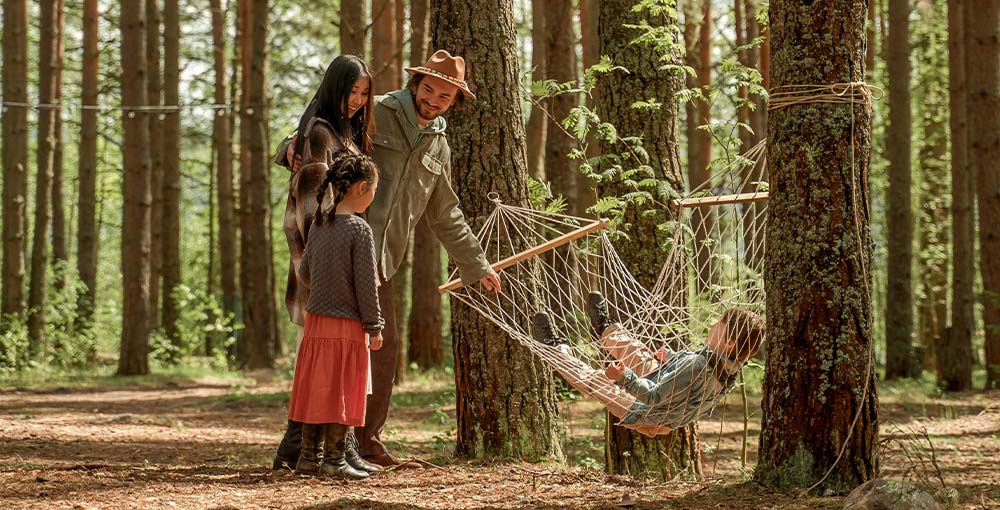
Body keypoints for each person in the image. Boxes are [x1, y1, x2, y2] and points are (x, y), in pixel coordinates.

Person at [275, 50, 502, 469]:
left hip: (381, 257)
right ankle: (308, 447)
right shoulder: (377, 110)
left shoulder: (439, 144)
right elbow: (324, 129)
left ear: (454, 102)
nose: (433, 100)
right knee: (329, 346)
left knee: (381, 347)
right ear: (416, 84)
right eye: (429, 89)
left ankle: (362, 441)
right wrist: (288, 143)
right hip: (337, 246)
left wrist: (476, 264)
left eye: (445, 96)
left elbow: (445, 213)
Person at [272, 55, 383, 476]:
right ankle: (307, 448)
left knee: (326, 363)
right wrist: (319, 272)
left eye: (363, 94)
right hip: (319, 264)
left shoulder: (344, 133)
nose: (356, 100)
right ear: (332, 88)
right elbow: (310, 207)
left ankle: (318, 447)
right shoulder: (320, 133)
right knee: (323, 363)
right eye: (350, 91)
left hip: (332, 261)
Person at [531, 292, 764, 437]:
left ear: (729, 342)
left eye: (719, 325)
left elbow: (653, 397)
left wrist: (622, 378)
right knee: (639, 353)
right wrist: (672, 358)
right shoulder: (729, 370)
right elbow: (690, 387)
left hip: (646, 411)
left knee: (595, 381)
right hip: (665, 412)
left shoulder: (697, 365)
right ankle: (605, 329)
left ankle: (557, 350)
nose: (713, 325)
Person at [288, 151, 384, 480]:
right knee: (343, 388)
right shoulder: (359, 230)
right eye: (373, 189)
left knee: (317, 387)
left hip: (316, 323)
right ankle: (334, 460)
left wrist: (325, 289)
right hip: (347, 324)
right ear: (360, 188)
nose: (374, 196)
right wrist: (374, 326)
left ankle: (308, 460)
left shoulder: (319, 224)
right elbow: (366, 287)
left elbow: (306, 273)